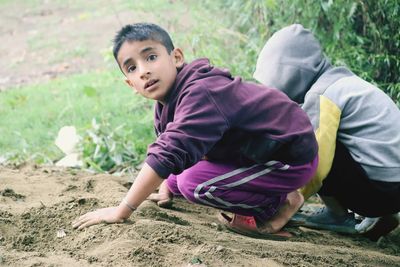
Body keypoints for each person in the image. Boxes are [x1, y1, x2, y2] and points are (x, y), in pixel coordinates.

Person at [72, 22, 319, 239]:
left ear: (176, 57)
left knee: (195, 185)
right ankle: (272, 194)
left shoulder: (202, 92)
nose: (144, 70)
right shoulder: (167, 101)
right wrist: (167, 185)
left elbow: (169, 152)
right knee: (178, 181)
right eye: (132, 68)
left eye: (150, 57)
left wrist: (122, 210)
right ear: (131, 84)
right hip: (254, 152)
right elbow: (176, 147)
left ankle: (280, 203)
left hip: (288, 156)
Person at [253, 24, 400, 241]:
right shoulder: (343, 82)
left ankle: (337, 215)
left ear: (289, 72)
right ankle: (383, 215)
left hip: (382, 192)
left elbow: (315, 164)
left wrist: (286, 205)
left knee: (309, 146)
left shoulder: (323, 93)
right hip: (392, 186)